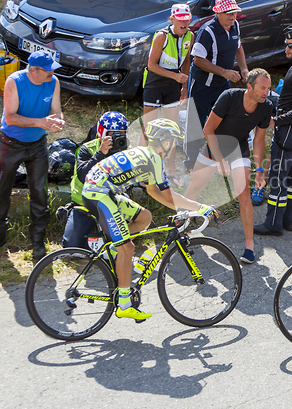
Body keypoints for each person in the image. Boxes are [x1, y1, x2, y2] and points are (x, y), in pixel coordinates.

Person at [82, 119, 216, 321]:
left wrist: (181, 210)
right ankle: (124, 304)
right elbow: (169, 196)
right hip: (99, 193)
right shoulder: (154, 158)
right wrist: (200, 208)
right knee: (127, 248)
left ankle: (112, 253)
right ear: (166, 141)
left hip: (100, 190)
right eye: (173, 141)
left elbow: (154, 191)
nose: (173, 146)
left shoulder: (146, 154)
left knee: (144, 216)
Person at [184, 69, 273, 264]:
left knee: (244, 195)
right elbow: (208, 129)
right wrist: (219, 160)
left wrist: (259, 171)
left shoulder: (266, 107)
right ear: (249, 87)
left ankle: (249, 245)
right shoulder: (229, 97)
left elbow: (259, 140)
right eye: (262, 88)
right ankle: (179, 233)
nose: (266, 92)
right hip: (214, 145)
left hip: (237, 149)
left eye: (268, 88)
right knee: (193, 189)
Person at [253, 24, 292, 236]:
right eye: (286, 45)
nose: (287, 50)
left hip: (290, 130)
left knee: (277, 178)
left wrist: (277, 121)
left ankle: (273, 223)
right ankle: (289, 220)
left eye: (291, 46)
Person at [0, 51, 64, 259]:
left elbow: (57, 110)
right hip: (10, 144)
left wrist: (58, 122)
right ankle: (1, 238)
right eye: (48, 69)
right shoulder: (14, 82)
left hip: (37, 144)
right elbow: (10, 118)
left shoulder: (53, 81)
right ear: (34, 70)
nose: (52, 72)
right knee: (2, 191)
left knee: (40, 193)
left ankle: (38, 241)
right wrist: (41, 122)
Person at [183, 0, 249, 172]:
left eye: (234, 12)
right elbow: (198, 60)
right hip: (203, 84)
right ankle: (191, 161)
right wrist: (224, 72)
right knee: (195, 121)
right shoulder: (207, 31)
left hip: (223, 84)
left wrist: (243, 68)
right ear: (217, 13)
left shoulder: (234, 26)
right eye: (228, 13)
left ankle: (215, 154)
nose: (232, 16)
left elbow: (238, 47)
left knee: (221, 119)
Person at [142, 4, 194, 187]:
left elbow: (187, 60)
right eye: (180, 19)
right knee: (149, 129)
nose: (184, 22)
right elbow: (151, 65)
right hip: (155, 83)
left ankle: (170, 169)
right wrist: (175, 76)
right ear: (172, 19)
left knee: (171, 130)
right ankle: (144, 169)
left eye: (187, 18)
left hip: (174, 84)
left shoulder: (190, 36)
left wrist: (184, 86)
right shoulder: (161, 36)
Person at [61, 111, 129, 249]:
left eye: (121, 133)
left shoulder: (125, 150)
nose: (117, 137)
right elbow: (82, 175)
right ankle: (74, 217)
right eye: (111, 133)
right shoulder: (86, 149)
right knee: (71, 246)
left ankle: (103, 237)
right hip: (85, 203)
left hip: (111, 201)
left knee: (125, 239)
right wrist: (101, 154)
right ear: (101, 133)